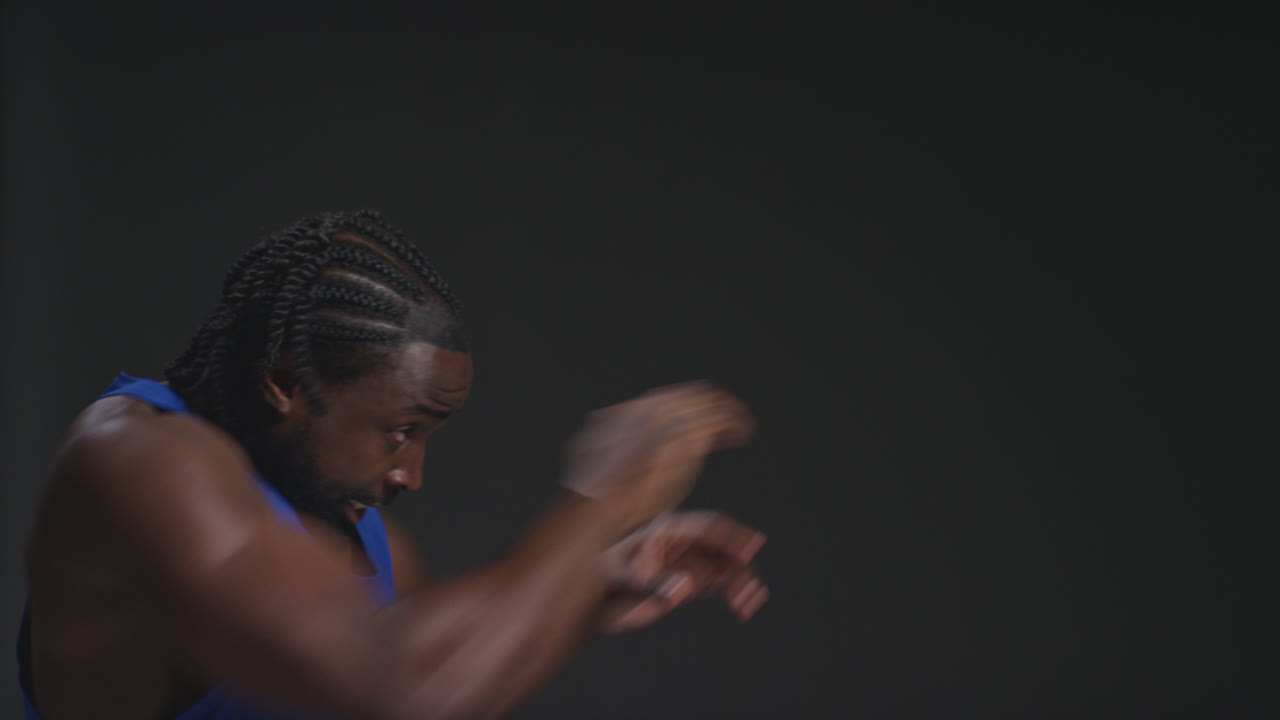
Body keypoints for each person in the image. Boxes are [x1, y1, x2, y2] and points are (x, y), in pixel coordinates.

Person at [18, 210, 769, 720]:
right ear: (284, 378)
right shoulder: (136, 457)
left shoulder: (366, 545)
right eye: (400, 430)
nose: (410, 474)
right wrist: (599, 501)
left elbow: (451, 674)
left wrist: (591, 581)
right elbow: (404, 691)